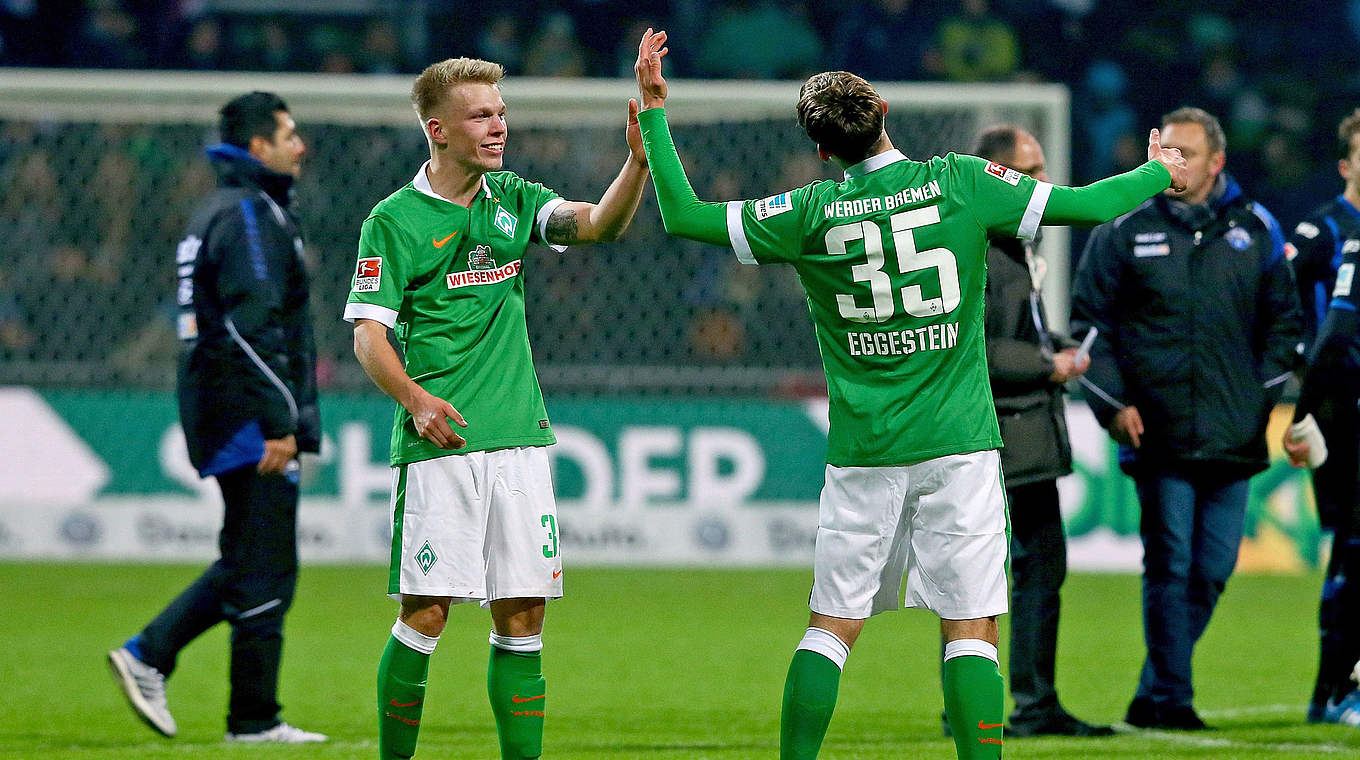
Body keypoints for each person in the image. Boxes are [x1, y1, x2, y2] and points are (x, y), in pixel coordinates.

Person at [631, 28, 1187, 760]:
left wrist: (654, 114)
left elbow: (684, 216)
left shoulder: (806, 212)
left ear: (822, 151)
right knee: (972, 629)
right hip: (958, 445)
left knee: (831, 626)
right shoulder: (960, 179)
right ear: (886, 110)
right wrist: (1158, 171)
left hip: (865, 450)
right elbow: (1084, 207)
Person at [344, 57, 649, 760]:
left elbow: (597, 225)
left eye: (500, 112)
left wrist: (635, 165)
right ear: (438, 130)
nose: (498, 125)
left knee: (523, 616)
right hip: (441, 444)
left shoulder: (511, 195)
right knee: (425, 615)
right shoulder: (393, 221)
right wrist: (415, 400)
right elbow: (368, 335)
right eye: (481, 115)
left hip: (518, 441)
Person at [1071, 106, 1303, 731]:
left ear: (1217, 162)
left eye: (1186, 154)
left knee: (1212, 571)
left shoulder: (1255, 228)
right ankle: (1172, 700)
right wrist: (1114, 405)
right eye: (1164, 152)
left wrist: (1263, 399)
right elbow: (1090, 328)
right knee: (1170, 564)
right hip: (1159, 432)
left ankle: (1153, 690)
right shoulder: (1121, 229)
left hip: (1235, 432)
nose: (1172, 164)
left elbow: (1285, 324)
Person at [106, 92, 325, 744]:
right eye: (289, 134)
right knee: (263, 562)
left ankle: (162, 661)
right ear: (259, 147)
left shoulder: (223, 210)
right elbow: (250, 327)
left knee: (251, 558)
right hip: (243, 412)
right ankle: (237, 711)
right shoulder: (250, 216)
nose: (301, 145)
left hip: (223, 403)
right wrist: (281, 420)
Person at [971, 124, 1112, 737]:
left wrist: (1055, 345)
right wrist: (1045, 363)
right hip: (1007, 431)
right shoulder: (980, 252)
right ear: (998, 176)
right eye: (1030, 171)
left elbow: (1015, 335)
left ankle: (974, 704)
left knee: (984, 576)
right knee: (1035, 567)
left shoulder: (1006, 248)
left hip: (1019, 429)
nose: (1044, 183)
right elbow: (971, 348)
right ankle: (1033, 704)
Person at [1287, 108, 1360, 723]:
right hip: (1336, 407)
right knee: (1351, 545)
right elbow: (1283, 304)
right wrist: (1300, 393)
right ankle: (1337, 688)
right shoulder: (1324, 230)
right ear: (1346, 164)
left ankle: (1330, 689)